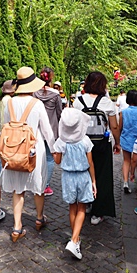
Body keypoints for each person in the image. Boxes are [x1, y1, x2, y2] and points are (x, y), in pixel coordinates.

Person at [0, 67, 55, 242]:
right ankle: (39, 218)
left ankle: (17, 227)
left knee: (18, 189)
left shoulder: (9, 102)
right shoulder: (36, 103)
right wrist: (54, 149)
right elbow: (46, 130)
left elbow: (5, 126)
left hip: (14, 150)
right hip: (33, 150)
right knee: (38, 187)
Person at [72, 71, 120, 225]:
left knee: (84, 174)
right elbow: (114, 126)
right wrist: (117, 143)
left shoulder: (78, 102)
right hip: (102, 144)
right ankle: (98, 212)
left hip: (82, 144)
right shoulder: (107, 103)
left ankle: (85, 204)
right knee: (102, 176)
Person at [53, 108, 97, 260]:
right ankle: (74, 240)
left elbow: (57, 161)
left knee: (72, 207)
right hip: (83, 176)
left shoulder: (61, 141)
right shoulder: (85, 140)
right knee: (82, 208)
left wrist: (56, 154)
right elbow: (90, 162)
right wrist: (94, 181)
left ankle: (75, 239)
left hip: (68, 177)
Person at [33, 67, 62, 197]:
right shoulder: (56, 94)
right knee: (50, 158)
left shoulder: (34, 93)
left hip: (37, 130)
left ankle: (36, 182)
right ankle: (45, 185)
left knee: (38, 157)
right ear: (51, 78)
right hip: (52, 130)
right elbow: (59, 113)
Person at [118, 90, 137, 194]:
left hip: (126, 139)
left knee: (126, 160)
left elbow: (120, 127)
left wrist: (118, 140)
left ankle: (125, 182)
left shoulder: (123, 112)